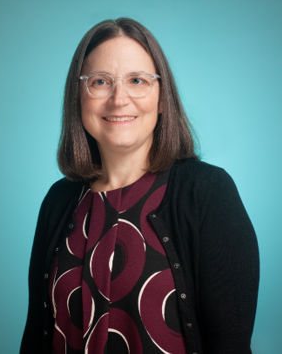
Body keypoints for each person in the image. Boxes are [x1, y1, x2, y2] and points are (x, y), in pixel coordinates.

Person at [20, 18, 259, 354]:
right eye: (101, 81)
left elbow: (231, 345)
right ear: (79, 97)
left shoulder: (207, 193)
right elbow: (35, 336)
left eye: (137, 80)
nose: (119, 99)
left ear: (162, 98)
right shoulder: (58, 202)